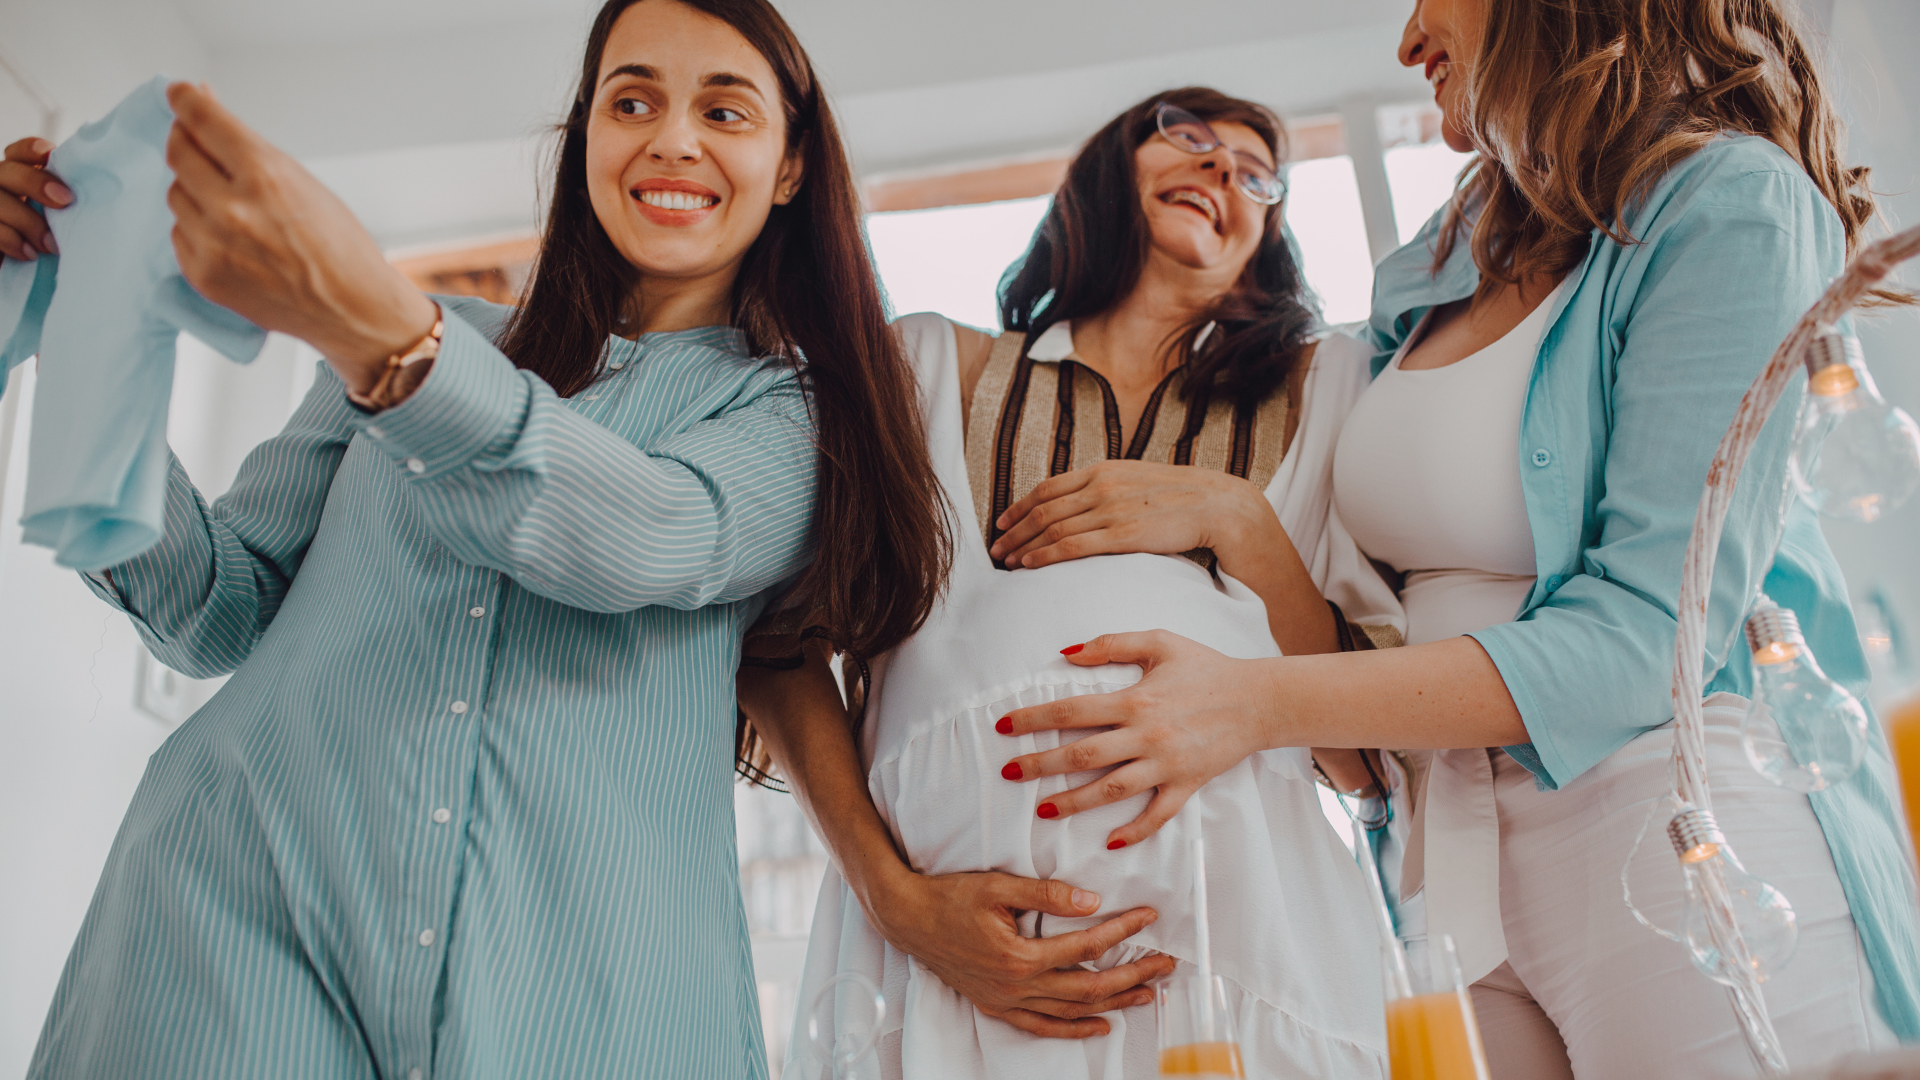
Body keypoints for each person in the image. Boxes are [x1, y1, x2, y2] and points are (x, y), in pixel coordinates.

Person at [1, 0, 948, 1076]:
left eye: (724, 110)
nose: (671, 138)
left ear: (788, 166)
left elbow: (648, 534)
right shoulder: (423, 334)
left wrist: (388, 344)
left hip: (577, 983)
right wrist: (75, 338)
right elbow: (212, 609)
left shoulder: (790, 419)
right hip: (229, 915)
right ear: (586, 136)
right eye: (630, 100)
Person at [989, 0, 1920, 1076]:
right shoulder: (1428, 270)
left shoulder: (1732, 203)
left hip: (1678, 826)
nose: (1408, 38)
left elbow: (1645, 638)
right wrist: (1235, 525)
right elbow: (1379, 683)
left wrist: (1245, 706)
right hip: (1446, 866)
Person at [737, 87, 1404, 1079]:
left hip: (1248, 956)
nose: (1224, 168)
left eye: (1259, 174)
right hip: (950, 965)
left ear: (1266, 242)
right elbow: (773, 646)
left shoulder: (1327, 388)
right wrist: (893, 899)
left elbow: (1363, 760)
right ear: (1104, 167)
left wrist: (1238, 522)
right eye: (1187, 137)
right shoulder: (923, 364)